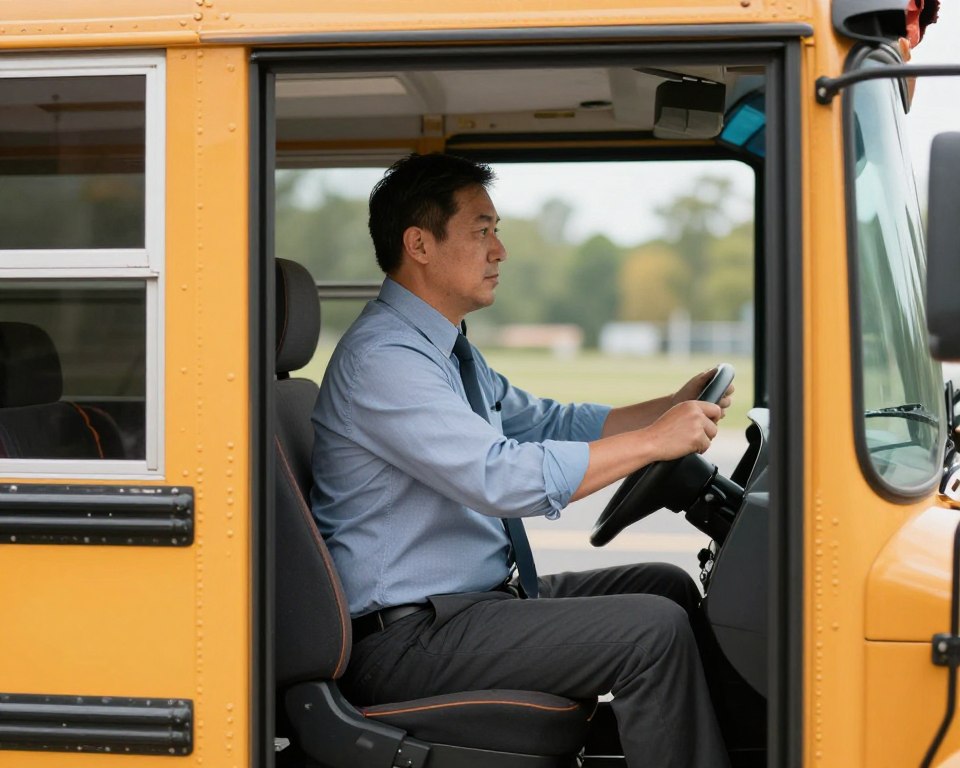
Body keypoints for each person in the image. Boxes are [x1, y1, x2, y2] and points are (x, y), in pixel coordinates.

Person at [310, 152, 735, 768]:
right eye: (482, 231)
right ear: (420, 244)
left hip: (468, 608)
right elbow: (499, 478)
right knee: (652, 631)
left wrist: (666, 408)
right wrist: (653, 442)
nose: (500, 250)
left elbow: (549, 422)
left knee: (663, 586)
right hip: (406, 641)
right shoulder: (385, 360)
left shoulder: (445, 351)